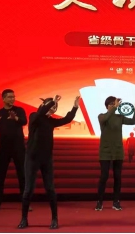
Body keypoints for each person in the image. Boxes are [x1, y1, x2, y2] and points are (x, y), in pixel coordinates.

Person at [18, 95, 79, 230]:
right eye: (50, 106)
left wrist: (75, 107)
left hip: (46, 159)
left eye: (55, 107)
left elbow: (67, 119)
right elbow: (41, 112)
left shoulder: (51, 121)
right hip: (32, 158)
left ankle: (54, 219)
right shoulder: (34, 116)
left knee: (50, 189)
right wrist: (53, 101)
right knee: (28, 190)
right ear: (43, 106)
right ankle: (24, 219)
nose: (53, 108)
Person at [95, 97, 135, 211]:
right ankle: (99, 201)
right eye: (111, 104)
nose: (113, 105)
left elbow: (133, 121)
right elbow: (106, 117)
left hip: (118, 151)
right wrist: (115, 107)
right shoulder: (102, 116)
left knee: (117, 177)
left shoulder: (119, 117)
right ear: (107, 106)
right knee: (104, 176)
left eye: (114, 103)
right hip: (105, 151)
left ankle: (116, 202)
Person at [0, 89, 28, 212]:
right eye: (9, 97)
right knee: (0, 175)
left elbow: (24, 121)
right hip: (4, 147)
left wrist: (15, 118)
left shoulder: (19, 110)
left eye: (13, 97)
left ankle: (26, 202)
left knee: (22, 174)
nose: (12, 99)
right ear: (3, 99)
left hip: (18, 147)